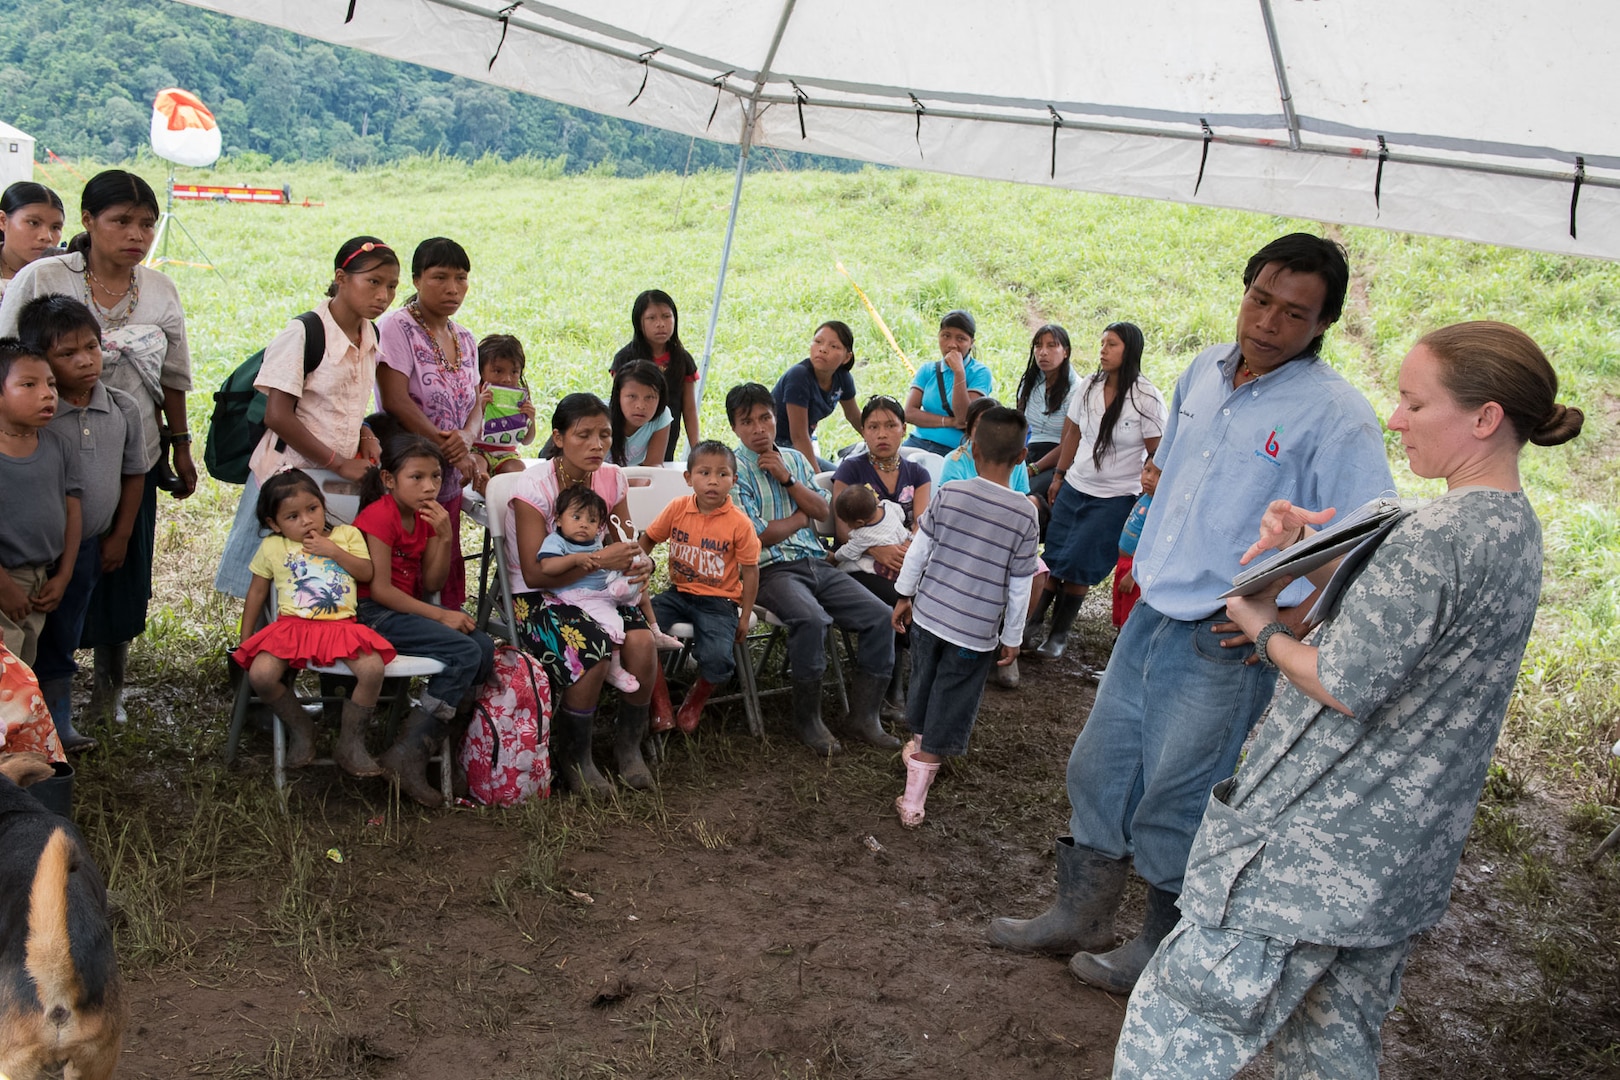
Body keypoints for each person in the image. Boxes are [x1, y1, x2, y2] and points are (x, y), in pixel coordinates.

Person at [1113, 323, 1583, 1078]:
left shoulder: (1436, 537)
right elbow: (1407, 640)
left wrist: (1259, 625)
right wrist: (1320, 547)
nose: (1394, 419)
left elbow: (1344, 681)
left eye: (1413, 402)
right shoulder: (1510, 529)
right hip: (1392, 870)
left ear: (1485, 417)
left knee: (1174, 1037)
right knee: (1328, 1050)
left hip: (1307, 861)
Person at [988, 233, 1395, 996]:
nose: (1268, 321)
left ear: (1322, 325)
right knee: (1100, 766)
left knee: (1180, 791)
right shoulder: (1203, 370)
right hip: (1151, 612)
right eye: (1260, 298)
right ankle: (1080, 913)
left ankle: (1163, 946)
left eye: (1294, 312)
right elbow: (1168, 473)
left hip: (1222, 634)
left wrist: (1292, 620)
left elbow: (1365, 534)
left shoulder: (1336, 415)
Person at [0, 170, 197, 727]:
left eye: (146, 224)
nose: (136, 234)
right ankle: (32, 705)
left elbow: (175, 374)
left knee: (119, 563)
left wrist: (179, 445)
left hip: (127, 446)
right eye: (121, 221)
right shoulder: (45, 277)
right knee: (39, 570)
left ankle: (107, 695)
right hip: (44, 445)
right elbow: (5, 356)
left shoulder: (159, 288)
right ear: (88, 222)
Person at [214, 236, 398, 599]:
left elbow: (342, 401)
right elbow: (278, 415)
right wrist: (339, 462)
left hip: (333, 477)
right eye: (373, 282)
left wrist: (365, 434)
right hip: (289, 475)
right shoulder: (304, 333)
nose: (383, 296)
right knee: (272, 577)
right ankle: (258, 650)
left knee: (318, 578)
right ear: (341, 278)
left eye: (392, 286)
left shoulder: (370, 333)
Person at [503, 393, 659, 793]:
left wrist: (639, 562)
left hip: (597, 589)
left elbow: (626, 542)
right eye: (583, 435)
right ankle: (576, 757)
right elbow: (535, 573)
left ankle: (629, 748)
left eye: (604, 435)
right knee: (591, 650)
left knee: (642, 642)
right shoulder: (533, 486)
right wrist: (599, 561)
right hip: (540, 595)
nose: (597, 445)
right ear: (558, 437)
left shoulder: (611, 477)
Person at [728, 382, 896, 754]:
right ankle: (808, 718)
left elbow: (823, 512)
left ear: (775, 419)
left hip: (816, 562)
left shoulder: (796, 460)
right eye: (747, 421)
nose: (759, 428)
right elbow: (757, 537)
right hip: (769, 571)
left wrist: (788, 480)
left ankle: (864, 716)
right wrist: (798, 515)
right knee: (812, 619)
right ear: (735, 428)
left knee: (881, 616)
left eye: (765, 418)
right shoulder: (731, 469)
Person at [890, 406, 1039, 826]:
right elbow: (1019, 584)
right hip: (975, 633)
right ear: (1022, 456)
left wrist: (904, 594)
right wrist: (1013, 635)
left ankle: (919, 746)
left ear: (971, 448)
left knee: (923, 681)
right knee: (952, 697)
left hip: (930, 616)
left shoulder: (949, 493)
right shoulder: (1025, 513)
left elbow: (920, 548)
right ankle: (915, 796)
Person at [19, 296, 144, 753]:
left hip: (88, 546)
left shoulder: (123, 408)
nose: (86, 360)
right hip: (28, 551)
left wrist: (122, 533)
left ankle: (58, 722)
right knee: (21, 635)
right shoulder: (35, 414)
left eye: (91, 346)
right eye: (67, 354)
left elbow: (135, 473)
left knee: (65, 630)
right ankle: (19, 725)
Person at [354, 435, 496, 807]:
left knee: (482, 647)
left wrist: (444, 536)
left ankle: (434, 744)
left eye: (435, 477)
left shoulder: (425, 516)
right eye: (416, 477)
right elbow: (380, 590)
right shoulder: (379, 516)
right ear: (388, 479)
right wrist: (441, 615)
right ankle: (410, 749)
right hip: (373, 615)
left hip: (404, 611)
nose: (429, 486)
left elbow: (432, 582)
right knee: (465, 652)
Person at [231, 469, 395, 779]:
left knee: (373, 669)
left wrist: (333, 550)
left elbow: (366, 572)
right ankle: (302, 727)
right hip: (292, 626)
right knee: (262, 675)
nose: (307, 520)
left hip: (341, 626)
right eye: (292, 517)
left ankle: (351, 741)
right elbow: (256, 592)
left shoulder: (346, 535)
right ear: (274, 524)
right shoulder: (272, 547)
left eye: (312, 509)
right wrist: (245, 637)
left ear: (322, 505)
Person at [1026, 322, 1165, 660]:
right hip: (1077, 484)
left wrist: (1150, 486)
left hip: (1117, 495)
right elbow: (1071, 434)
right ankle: (1032, 622)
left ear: (1129, 350)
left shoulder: (1146, 397)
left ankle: (1059, 635)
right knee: (1056, 553)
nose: (1103, 350)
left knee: (1081, 561)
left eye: (1112, 344)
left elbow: (1157, 451)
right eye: (1102, 343)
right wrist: (1059, 475)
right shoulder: (1088, 385)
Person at [376, 237, 482, 611]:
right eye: (440, 277)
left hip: (449, 476)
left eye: (461, 278)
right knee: (405, 569)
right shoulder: (396, 328)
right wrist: (445, 444)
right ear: (417, 280)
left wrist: (465, 440)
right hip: (412, 475)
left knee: (442, 560)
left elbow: (476, 403)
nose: (453, 288)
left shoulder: (466, 338)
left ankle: (449, 653)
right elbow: (395, 399)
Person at [637, 440, 761, 734]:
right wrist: (639, 563)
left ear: (734, 479)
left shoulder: (739, 523)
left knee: (718, 658)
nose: (713, 481)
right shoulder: (678, 508)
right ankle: (662, 702)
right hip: (678, 594)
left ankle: (696, 698)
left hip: (718, 602)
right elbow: (649, 539)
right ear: (688, 478)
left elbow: (751, 572)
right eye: (704, 473)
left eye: (722, 474)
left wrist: (744, 615)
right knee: (639, 631)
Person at [831, 395, 931, 718]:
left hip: (904, 561)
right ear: (863, 432)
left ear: (904, 428)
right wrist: (878, 549)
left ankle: (912, 681)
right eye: (873, 427)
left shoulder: (917, 473)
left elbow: (922, 526)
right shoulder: (851, 468)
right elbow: (843, 530)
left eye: (890, 425)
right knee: (899, 595)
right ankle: (893, 688)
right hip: (860, 564)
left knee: (918, 591)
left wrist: (905, 553)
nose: (882, 434)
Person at [0, 340, 81, 668]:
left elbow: (73, 512)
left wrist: (63, 575)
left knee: (22, 673)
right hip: (6, 579)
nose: (48, 394)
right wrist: (4, 585)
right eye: (29, 385)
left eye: (51, 384)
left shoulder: (57, 447)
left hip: (40, 582)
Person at [537, 486, 643, 695]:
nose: (584, 524)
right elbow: (547, 567)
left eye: (592, 521)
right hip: (578, 595)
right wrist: (575, 559)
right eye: (576, 517)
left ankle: (652, 624)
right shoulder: (556, 541)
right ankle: (614, 668)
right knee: (613, 623)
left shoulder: (595, 542)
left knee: (634, 584)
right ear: (558, 519)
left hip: (601, 589)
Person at [610, 289, 699, 460]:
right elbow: (618, 402)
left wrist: (696, 448)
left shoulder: (682, 359)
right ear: (638, 322)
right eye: (651, 318)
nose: (660, 324)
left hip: (667, 436)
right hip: (629, 439)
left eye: (666, 316)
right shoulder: (625, 358)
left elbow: (689, 408)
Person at [772, 320, 862, 470]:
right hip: (776, 446)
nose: (823, 349)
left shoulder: (843, 378)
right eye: (818, 342)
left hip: (799, 445)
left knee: (842, 480)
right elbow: (799, 436)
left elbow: (854, 417)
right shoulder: (799, 376)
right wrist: (817, 477)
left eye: (834, 346)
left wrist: (879, 444)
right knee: (831, 482)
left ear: (847, 357)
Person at [1015, 323, 1079, 529]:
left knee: (1024, 497)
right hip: (1027, 450)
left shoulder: (1077, 389)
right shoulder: (1030, 382)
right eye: (1038, 346)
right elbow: (1019, 425)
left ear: (1066, 351)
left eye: (1052, 346)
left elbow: (1069, 442)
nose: (1043, 352)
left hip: (1057, 459)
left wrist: (1033, 469)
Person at [903, 309, 992, 456]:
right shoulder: (928, 370)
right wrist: (949, 422)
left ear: (971, 343)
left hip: (954, 450)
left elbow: (964, 417)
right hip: (917, 442)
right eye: (946, 336)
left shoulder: (980, 373)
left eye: (961, 339)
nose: (952, 344)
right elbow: (909, 413)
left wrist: (959, 372)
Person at [470, 333, 536, 487]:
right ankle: (484, 487)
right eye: (498, 371)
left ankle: (510, 499)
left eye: (514, 372)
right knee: (477, 464)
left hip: (506, 454)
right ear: (481, 371)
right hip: (477, 450)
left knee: (519, 470)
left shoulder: (521, 398)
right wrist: (479, 407)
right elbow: (466, 427)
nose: (507, 379)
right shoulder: (475, 392)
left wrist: (531, 419)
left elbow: (527, 440)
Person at [1111, 460, 1160, 630]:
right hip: (1124, 563)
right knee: (1120, 606)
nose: (1149, 478)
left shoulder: (1159, 507)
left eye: (1158, 475)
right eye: (1147, 470)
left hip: (1136, 568)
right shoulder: (1145, 498)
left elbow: (1152, 544)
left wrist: (1133, 574)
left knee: (1129, 614)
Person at [0, 182, 65, 300]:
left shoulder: (68, 275)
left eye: (55, 227)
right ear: (3, 221)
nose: (46, 237)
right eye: (33, 223)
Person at [831, 485, 909, 578]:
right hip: (904, 549)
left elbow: (848, 552)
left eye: (848, 523)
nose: (848, 526)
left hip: (887, 565)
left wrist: (835, 557)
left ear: (859, 522)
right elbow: (901, 515)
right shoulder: (888, 505)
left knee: (847, 565)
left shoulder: (863, 534)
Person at [609, 359, 673, 467]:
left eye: (649, 397)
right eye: (632, 396)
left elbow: (654, 465)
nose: (640, 405)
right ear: (618, 395)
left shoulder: (662, 415)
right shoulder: (599, 415)